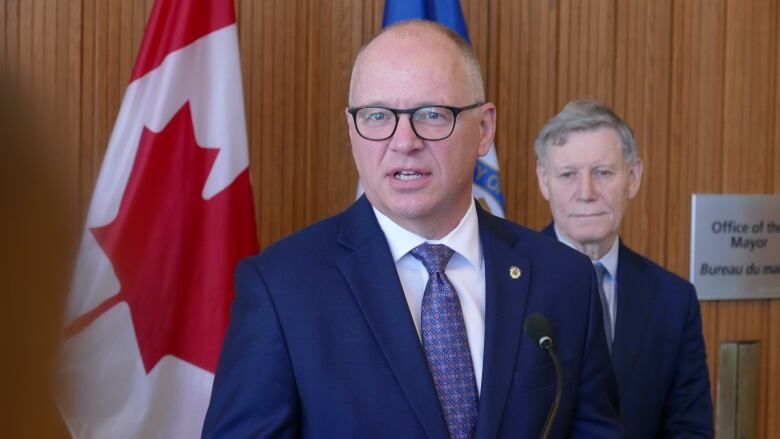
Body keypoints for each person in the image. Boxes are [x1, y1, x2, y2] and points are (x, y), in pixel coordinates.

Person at [204, 21, 621, 438]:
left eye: (432, 114)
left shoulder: (565, 280)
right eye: (378, 115)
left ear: (484, 129)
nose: (404, 141)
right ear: (352, 130)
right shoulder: (282, 287)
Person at [535, 99, 713, 438]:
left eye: (603, 173)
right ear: (544, 180)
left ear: (633, 177)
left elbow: (690, 429)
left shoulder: (674, 300)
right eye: (568, 174)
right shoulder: (503, 284)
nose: (586, 193)